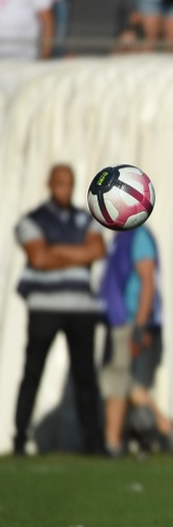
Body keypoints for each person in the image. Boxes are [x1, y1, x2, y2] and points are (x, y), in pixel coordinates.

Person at [12, 165, 105, 455]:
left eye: (70, 184)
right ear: (50, 184)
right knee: (33, 372)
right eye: (60, 183)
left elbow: (97, 250)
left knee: (85, 377)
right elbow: (38, 258)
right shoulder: (32, 219)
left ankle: (93, 443)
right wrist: (78, 253)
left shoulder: (86, 219)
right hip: (45, 306)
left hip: (81, 307)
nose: (65, 189)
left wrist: (56, 250)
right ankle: (19, 438)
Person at [99, 227, 173, 456]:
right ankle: (166, 429)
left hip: (130, 320)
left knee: (118, 380)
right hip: (120, 319)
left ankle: (113, 441)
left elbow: (148, 281)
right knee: (124, 382)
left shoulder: (137, 236)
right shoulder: (121, 237)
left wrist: (140, 326)